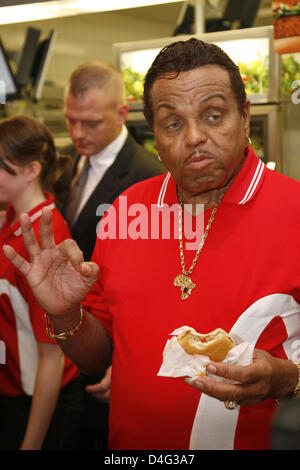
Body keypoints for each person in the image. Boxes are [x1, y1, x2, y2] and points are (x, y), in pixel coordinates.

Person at [3, 38, 300, 450]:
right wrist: (67, 313)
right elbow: (100, 356)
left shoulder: (293, 211)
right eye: (173, 123)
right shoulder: (126, 210)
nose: (195, 136)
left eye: (214, 116)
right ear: (154, 136)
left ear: (245, 116)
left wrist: (287, 378)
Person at [61, 60, 164, 449]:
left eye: (91, 123)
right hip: (69, 340)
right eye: (71, 121)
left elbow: (156, 285)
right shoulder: (68, 161)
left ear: (122, 113)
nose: (77, 133)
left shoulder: (146, 178)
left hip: (113, 357)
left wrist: (125, 363)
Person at [0, 114, 84, 450]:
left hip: (39, 404)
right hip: (14, 392)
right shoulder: (13, 217)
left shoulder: (45, 238)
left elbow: (53, 358)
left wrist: (30, 445)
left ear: (32, 171)